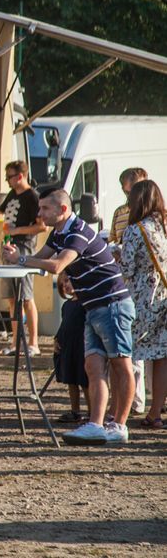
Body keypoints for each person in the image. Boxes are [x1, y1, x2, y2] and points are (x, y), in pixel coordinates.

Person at [4, 188, 135, 445]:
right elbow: (40, 258)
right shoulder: (59, 231)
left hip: (112, 304)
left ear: (63, 210)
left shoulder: (78, 232)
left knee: (121, 365)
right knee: (93, 367)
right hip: (92, 306)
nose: (39, 214)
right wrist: (18, 258)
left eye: (44, 210)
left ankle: (119, 425)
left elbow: (56, 265)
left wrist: (21, 259)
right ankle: (96, 424)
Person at [119, 179, 167, 429]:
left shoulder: (135, 230)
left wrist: (116, 255)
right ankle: (155, 413)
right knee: (160, 358)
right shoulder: (163, 226)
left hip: (140, 300)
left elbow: (126, 268)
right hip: (163, 298)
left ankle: (119, 413)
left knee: (121, 354)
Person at [0, 161, 44, 356]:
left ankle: (34, 342)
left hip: (24, 249)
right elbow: (0, 210)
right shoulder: (13, 194)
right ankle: (15, 342)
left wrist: (17, 230)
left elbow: (41, 226)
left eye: (9, 177)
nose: (7, 181)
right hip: (9, 247)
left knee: (26, 296)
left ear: (20, 176)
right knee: (12, 298)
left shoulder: (32, 197)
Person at [110, 167, 149, 415]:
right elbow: (115, 239)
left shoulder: (147, 220)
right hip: (130, 283)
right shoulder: (121, 213)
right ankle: (137, 401)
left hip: (140, 287)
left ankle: (137, 401)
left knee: (137, 347)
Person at [52, 270, 91, 424]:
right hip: (68, 347)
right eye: (63, 284)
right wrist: (56, 339)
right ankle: (75, 411)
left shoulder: (85, 305)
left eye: (68, 281)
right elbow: (64, 325)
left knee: (85, 381)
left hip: (82, 347)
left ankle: (92, 411)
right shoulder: (67, 305)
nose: (66, 285)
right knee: (71, 380)